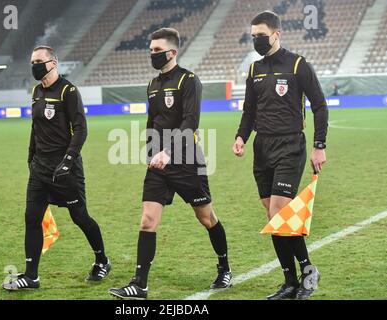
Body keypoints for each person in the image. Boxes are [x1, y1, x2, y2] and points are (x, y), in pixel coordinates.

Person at [109, 28, 232, 300]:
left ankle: (224, 267)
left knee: (206, 218)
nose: (152, 54)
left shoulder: (189, 81)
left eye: (157, 50)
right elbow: (152, 122)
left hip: (186, 160)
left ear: (172, 52)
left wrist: (167, 150)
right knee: (147, 221)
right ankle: (139, 284)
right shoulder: (153, 84)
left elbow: (191, 123)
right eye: (151, 50)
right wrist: (150, 151)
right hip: (158, 164)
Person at [232, 11, 328, 300]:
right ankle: (289, 282)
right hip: (262, 147)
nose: (257, 41)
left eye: (261, 35)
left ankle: (308, 269)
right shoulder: (254, 70)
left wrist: (319, 145)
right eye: (253, 37)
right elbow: (249, 110)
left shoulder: (298, 64)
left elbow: (320, 106)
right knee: (275, 217)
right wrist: (241, 137)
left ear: (277, 34)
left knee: (279, 212)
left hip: (290, 146)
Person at [3, 46, 110, 290]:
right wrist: (31, 156)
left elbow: (81, 129)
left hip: (65, 170)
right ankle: (31, 276)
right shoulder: (36, 90)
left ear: (53, 62)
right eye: (32, 62)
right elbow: (35, 126)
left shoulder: (68, 91)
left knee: (80, 217)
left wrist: (68, 161)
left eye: (39, 61)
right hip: (40, 169)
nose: (34, 66)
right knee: (32, 218)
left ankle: (102, 260)